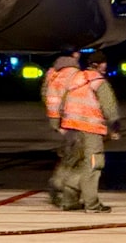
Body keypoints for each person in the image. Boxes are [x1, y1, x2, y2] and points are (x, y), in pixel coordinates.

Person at [59, 51, 120, 213]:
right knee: (93, 166)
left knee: (76, 165)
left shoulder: (75, 79)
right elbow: (110, 109)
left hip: (72, 130)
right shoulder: (99, 82)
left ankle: (69, 201)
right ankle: (92, 205)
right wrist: (114, 128)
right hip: (90, 130)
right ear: (100, 65)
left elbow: (61, 102)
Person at [41, 48, 80, 206]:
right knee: (76, 157)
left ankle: (59, 185)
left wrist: (56, 121)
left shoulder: (52, 73)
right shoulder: (72, 74)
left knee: (70, 154)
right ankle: (64, 190)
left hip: (60, 120)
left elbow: (47, 96)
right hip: (74, 119)